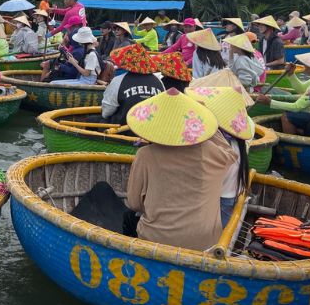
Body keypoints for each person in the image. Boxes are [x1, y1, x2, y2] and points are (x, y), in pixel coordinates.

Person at [125, 89, 233, 250]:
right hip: (204, 241)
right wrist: (208, 121)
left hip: (156, 238)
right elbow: (230, 154)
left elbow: (134, 203)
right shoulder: (208, 151)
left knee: (128, 218)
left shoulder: (145, 154)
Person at [185, 86, 253, 228]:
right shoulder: (237, 139)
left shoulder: (220, 143)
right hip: (232, 193)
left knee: (216, 236)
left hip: (222, 198)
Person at [255, 51, 310, 136]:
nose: (305, 65)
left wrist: (270, 102)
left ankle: (290, 144)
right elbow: (301, 89)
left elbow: (296, 107)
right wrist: (291, 74)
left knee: (285, 116)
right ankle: (300, 131)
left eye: (307, 64)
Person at [100, 44, 164, 124]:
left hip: (124, 127)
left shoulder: (118, 80)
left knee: (93, 120)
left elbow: (107, 111)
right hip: (151, 127)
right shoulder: (159, 81)